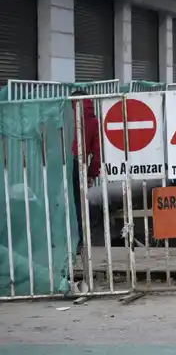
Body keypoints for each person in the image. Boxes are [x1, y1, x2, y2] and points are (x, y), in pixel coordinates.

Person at [70, 90, 101, 254]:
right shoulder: (93, 120)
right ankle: (80, 242)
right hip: (79, 163)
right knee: (78, 204)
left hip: (61, 162)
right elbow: (97, 151)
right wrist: (91, 173)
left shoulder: (65, 115)